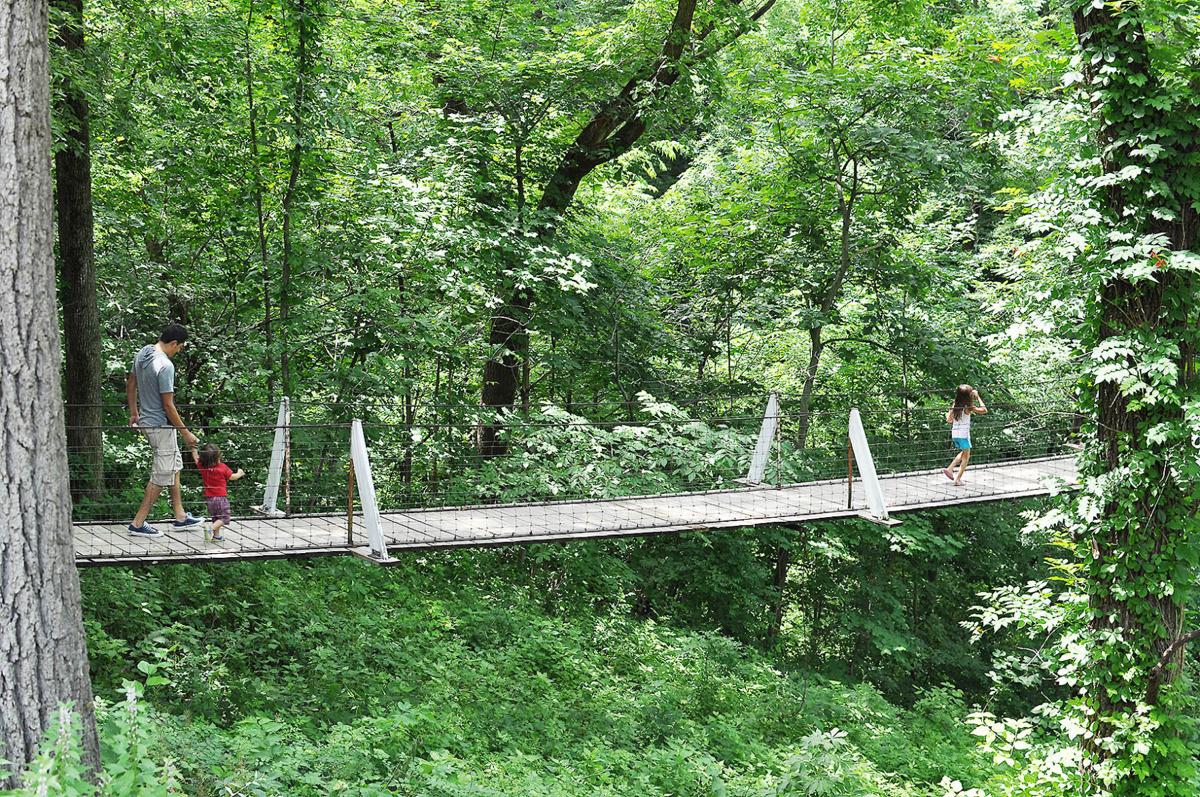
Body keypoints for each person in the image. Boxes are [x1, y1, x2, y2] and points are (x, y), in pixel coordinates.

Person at [126, 324, 203, 536]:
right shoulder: (165, 365)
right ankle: (138, 523)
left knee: (173, 466)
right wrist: (186, 432)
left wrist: (134, 413)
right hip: (161, 425)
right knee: (162, 474)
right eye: (179, 348)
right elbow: (168, 404)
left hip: (147, 422)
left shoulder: (143, 353)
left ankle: (180, 517)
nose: (178, 351)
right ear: (173, 343)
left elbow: (131, 383)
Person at [191, 443, 244, 542]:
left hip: (209, 499)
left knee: (216, 517)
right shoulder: (222, 467)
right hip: (220, 498)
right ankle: (210, 529)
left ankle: (216, 536)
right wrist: (240, 473)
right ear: (217, 458)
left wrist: (193, 448)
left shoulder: (203, 467)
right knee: (224, 517)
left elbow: (195, 458)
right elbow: (232, 477)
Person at [943, 384, 987, 485]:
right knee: (966, 457)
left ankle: (950, 469)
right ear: (968, 395)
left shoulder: (955, 405)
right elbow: (984, 410)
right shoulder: (969, 407)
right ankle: (957, 479)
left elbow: (949, 420)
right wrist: (978, 396)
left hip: (955, 434)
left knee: (964, 452)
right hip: (964, 435)